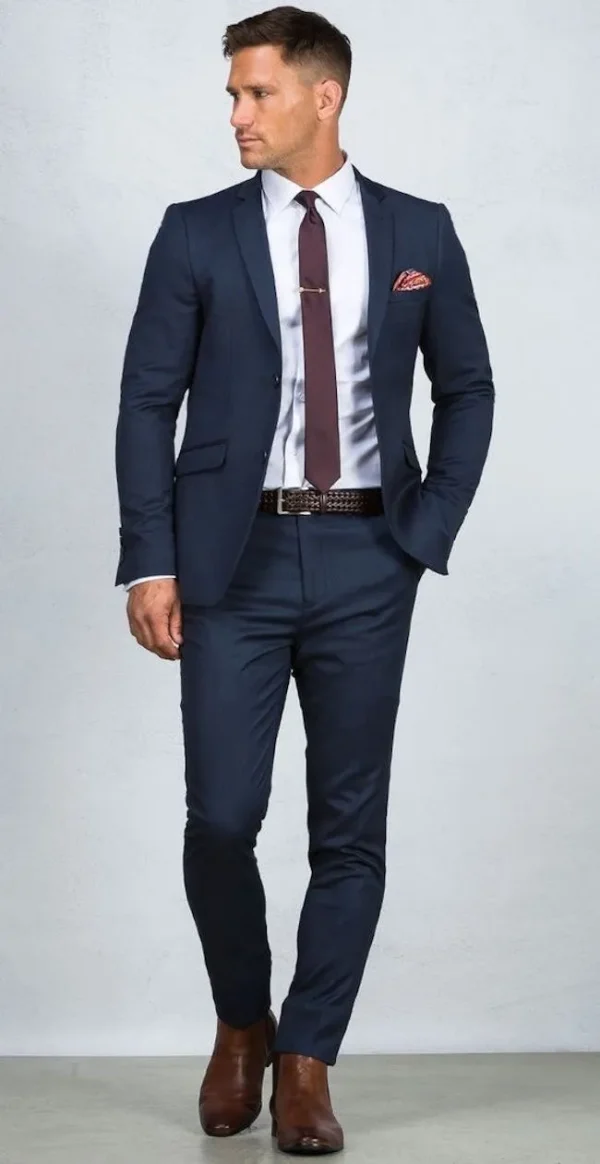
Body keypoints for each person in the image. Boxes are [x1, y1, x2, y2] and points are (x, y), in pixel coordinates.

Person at [114, 5, 494, 1155]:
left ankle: (308, 1058)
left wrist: (425, 529)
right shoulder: (195, 232)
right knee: (223, 817)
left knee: (350, 828)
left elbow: (468, 387)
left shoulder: (418, 229)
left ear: (324, 96)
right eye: (233, 94)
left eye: (257, 92)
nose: (237, 113)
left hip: (369, 558)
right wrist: (151, 556)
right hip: (228, 561)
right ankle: (244, 1021)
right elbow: (147, 401)